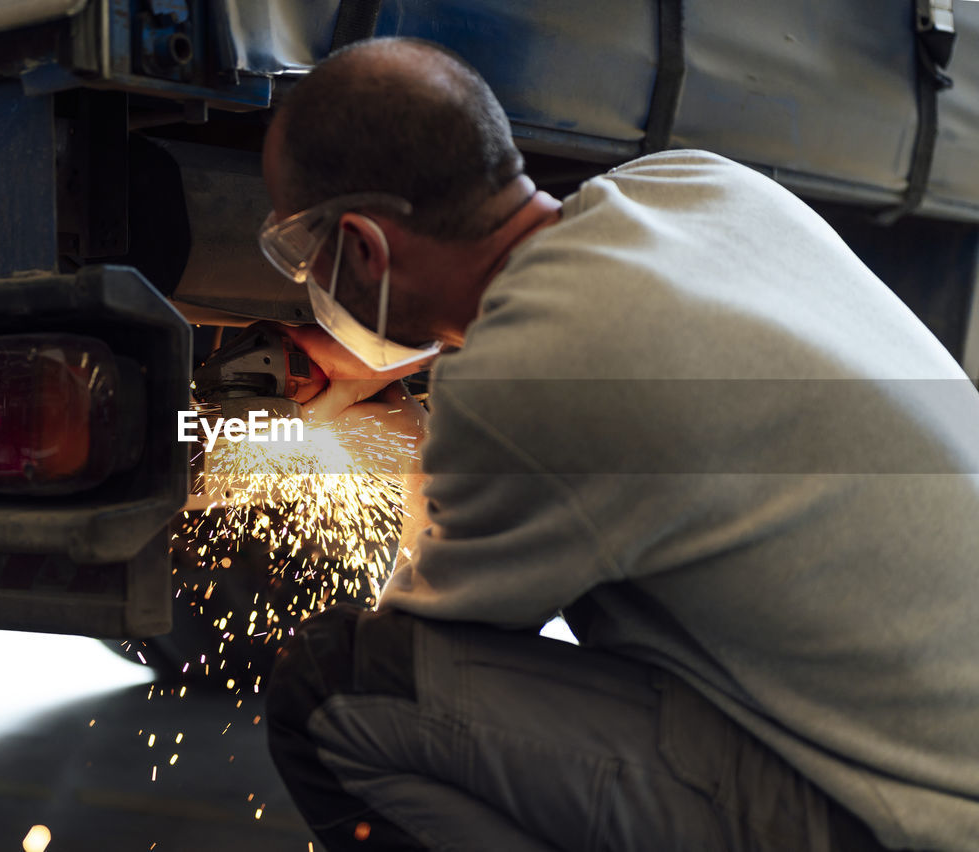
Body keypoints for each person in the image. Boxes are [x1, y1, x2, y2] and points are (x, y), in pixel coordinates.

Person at [256, 36, 979, 852]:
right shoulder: (696, 183)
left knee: (338, 686)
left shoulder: (529, 384)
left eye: (303, 258)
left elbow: (424, 650)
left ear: (363, 247)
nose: (308, 283)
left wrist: (408, 437)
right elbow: (589, 364)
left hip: (911, 825)